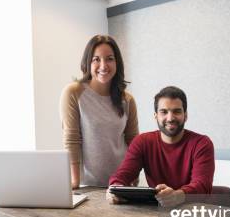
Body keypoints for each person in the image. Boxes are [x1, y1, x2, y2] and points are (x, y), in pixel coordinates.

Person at [107, 86, 214, 207]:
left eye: (177, 111)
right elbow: (123, 175)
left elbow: (202, 186)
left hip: (193, 212)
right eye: (164, 112)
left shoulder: (202, 143)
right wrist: (114, 189)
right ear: (155, 116)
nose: (170, 118)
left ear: (186, 115)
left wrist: (177, 195)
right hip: (155, 213)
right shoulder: (142, 142)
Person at [60, 35, 139, 188]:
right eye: (96, 59)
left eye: (109, 59)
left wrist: (133, 175)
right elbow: (71, 140)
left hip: (122, 185)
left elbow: (134, 142)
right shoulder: (73, 92)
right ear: (87, 63)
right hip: (87, 186)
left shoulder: (128, 100)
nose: (103, 66)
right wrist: (74, 181)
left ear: (117, 63)